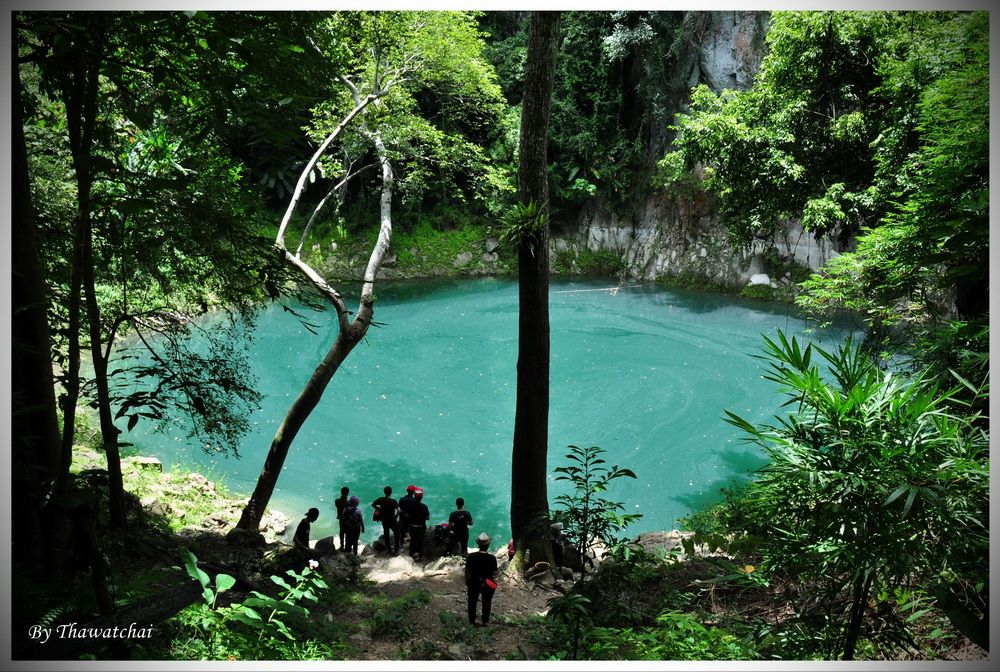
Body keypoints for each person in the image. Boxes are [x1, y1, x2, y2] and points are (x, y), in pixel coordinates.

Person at [465, 533, 498, 626]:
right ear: (488, 545)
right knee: (487, 601)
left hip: (473, 581)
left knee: (472, 601)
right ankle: (485, 621)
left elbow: (467, 571)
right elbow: (495, 573)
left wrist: (466, 580)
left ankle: (472, 620)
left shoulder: (471, 556)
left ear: (478, 544)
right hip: (487, 582)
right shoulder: (492, 558)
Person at [372, 486, 400, 555]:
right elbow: (399, 510)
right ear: (391, 492)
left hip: (384, 519)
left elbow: (373, 504)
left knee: (386, 534)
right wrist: (396, 516)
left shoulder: (381, 499)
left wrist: (378, 509)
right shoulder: (393, 501)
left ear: (384, 492)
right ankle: (396, 550)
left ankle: (389, 550)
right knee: (397, 533)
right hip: (392, 519)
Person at [407, 488, 430, 561]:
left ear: (414, 496)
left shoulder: (410, 505)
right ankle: (420, 556)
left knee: (412, 540)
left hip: (412, 527)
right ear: (421, 497)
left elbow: (407, 515)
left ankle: (411, 554)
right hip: (421, 528)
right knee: (420, 542)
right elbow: (427, 518)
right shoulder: (424, 507)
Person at [334, 486, 350, 551]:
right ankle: (347, 547)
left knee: (341, 532)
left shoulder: (337, 501)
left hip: (341, 518)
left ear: (341, 492)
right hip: (348, 519)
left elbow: (337, 505)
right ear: (348, 493)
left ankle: (342, 546)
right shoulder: (349, 503)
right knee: (347, 533)